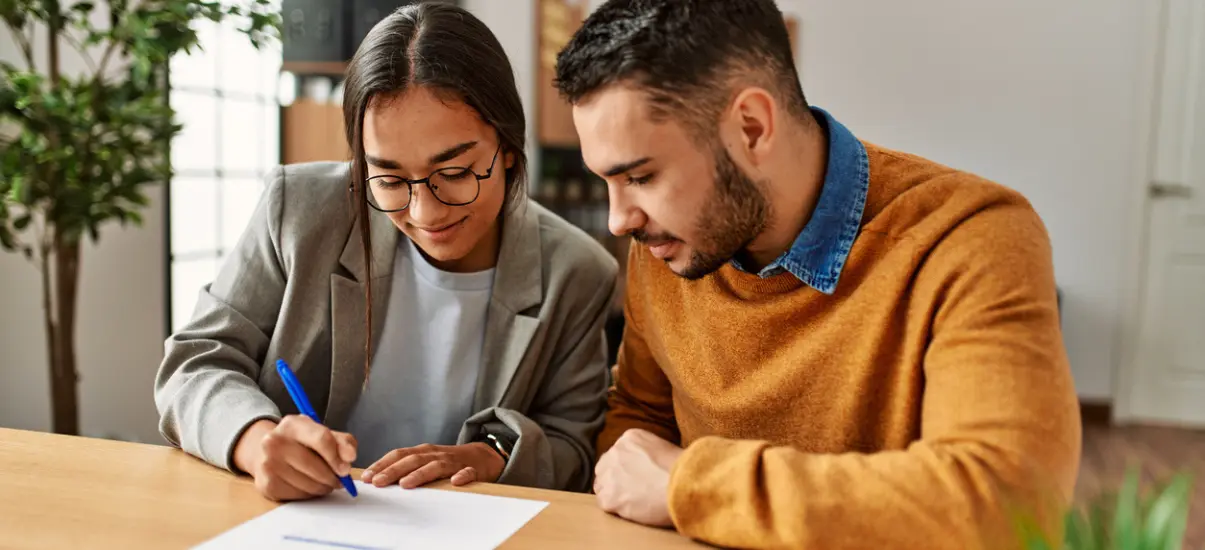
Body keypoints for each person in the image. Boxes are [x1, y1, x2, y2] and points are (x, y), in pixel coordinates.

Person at [554, 1, 1081, 548]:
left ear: (751, 128)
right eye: (606, 182)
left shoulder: (969, 239)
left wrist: (690, 487)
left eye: (640, 177)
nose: (618, 221)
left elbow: (1008, 502)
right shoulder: (667, 245)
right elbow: (639, 422)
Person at [155, 2, 617, 502]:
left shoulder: (576, 271)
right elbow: (194, 364)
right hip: (303, 517)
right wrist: (255, 440)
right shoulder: (299, 212)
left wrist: (492, 455)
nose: (425, 211)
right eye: (390, 179)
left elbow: (574, 445)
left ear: (508, 147)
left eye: (455, 173)